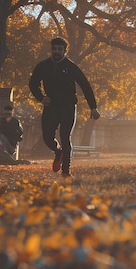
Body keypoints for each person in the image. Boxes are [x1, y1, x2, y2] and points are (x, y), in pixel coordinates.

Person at [29, 37, 100, 178]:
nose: (56, 51)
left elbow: (85, 86)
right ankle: (58, 152)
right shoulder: (43, 66)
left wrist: (93, 107)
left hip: (68, 106)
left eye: (59, 49)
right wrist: (41, 97)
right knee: (47, 136)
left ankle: (66, 170)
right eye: (54, 49)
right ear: (51, 49)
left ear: (65, 51)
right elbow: (33, 83)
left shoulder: (71, 67)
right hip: (51, 106)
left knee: (65, 137)